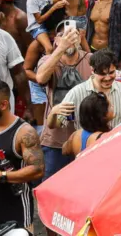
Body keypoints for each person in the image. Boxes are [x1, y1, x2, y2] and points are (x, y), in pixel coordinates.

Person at [0, 80, 43, 229]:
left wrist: (2, 176)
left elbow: (37, 169)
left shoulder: (24, 132)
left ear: (4, 105)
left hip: (16, 216)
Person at [35, 26, 91, 180]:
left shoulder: (90, 59)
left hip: (85, 138)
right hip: (54, 140)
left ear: (80, 38)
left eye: (73, 33)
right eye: (63, 34)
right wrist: (61, 48)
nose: (68, 37)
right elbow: (40, 78)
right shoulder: (48, 60)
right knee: (52, 189)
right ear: (55, 39)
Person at [49, 49, 121, 131]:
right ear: (92, 70)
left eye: (111, 73)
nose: (107, 78)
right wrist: (53, 113)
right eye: (102, 74)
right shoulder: (76, 92)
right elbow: (56, 125)